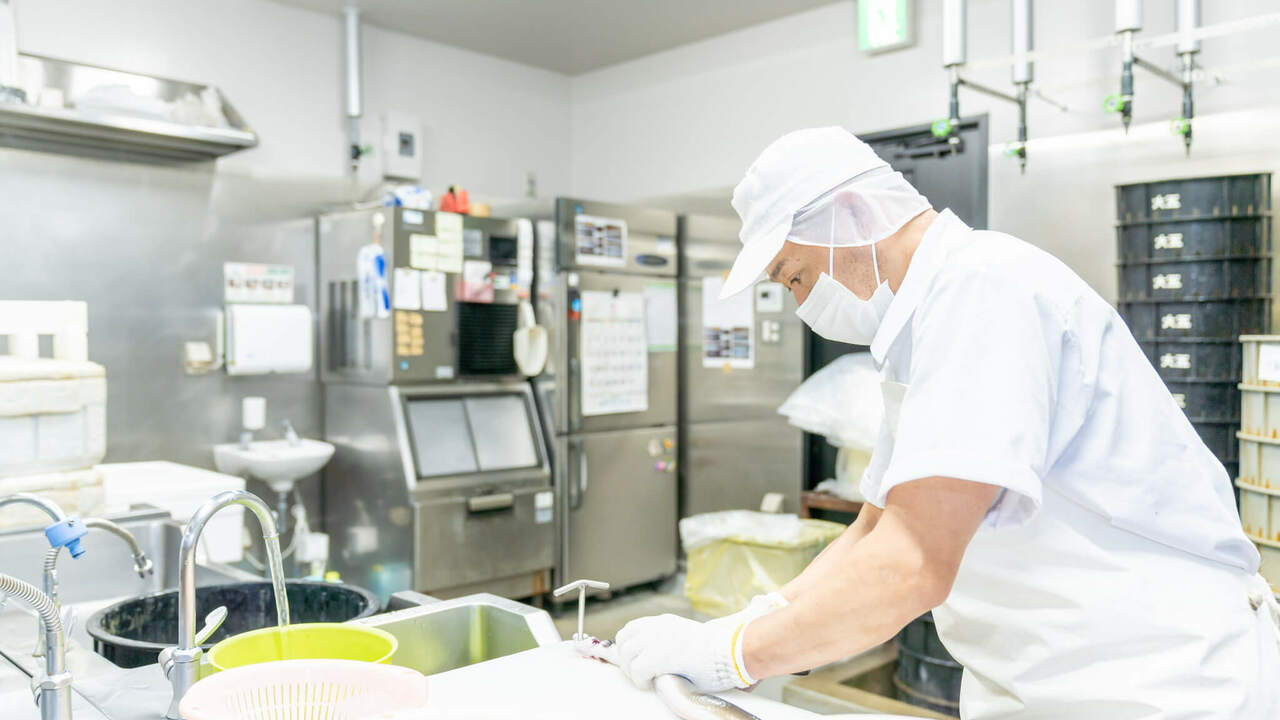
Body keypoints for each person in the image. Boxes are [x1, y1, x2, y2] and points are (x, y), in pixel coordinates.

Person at [579, 127, 1280, 718]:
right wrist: (752, 619)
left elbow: (910, 566)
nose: (798, 303)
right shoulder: (920, 327)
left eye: (794, 276)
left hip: (1156, 681)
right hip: (1056, 678)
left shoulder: (984, 289)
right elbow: (874, 529)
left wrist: (733, 657)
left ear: (850, 217)